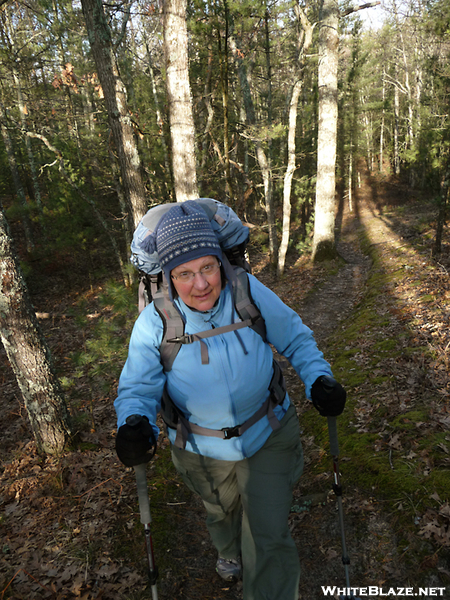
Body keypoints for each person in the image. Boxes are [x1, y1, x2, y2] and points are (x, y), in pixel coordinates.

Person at [114, 200, 346, 600]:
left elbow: (295, 336)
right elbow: (137, 384)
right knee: (221, 511)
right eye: (185, 274)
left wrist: (319, 378)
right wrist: (133, 421)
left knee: (268, 534)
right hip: (200, 448)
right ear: (168, 276)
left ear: (221, 262)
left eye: (207, 267)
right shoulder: (156, 320)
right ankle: (227, 548)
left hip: (269, 432)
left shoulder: (246, 290)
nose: (200, 284)